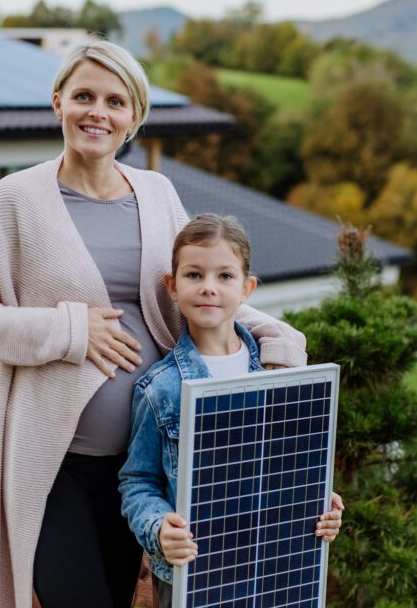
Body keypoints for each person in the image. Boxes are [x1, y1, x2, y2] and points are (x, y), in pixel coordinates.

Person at [0, 41, 309, 608]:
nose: (98, 112)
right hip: (53, 462)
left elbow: (201, 285)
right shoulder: (14, 200)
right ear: (58, 101)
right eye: (84, 96)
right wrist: (69, 331)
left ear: (133, 117)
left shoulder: (157, 193)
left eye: (116, 101)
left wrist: (271, 336)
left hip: (142, 465)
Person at [118, 214, 345, 608]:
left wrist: (320, 503)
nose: (208, 287)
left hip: (274, 566)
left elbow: (292, 467)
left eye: (224, 276)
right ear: (172, 286)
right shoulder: (161, 389)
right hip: (192, 574)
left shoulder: (280, 376)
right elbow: (137, 482)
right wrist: (158, 528)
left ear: (247, 288)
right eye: (194, 275)